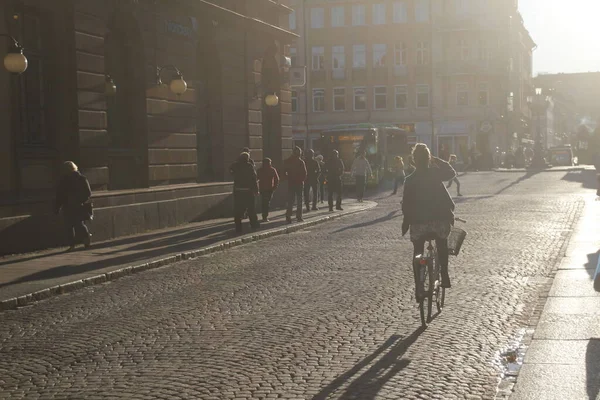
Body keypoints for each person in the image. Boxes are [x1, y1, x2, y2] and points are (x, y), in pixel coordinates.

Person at [402, 143, 457, 290]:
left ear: (414, 159)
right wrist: (436, 159)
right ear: (428, 158)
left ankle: (419, 285)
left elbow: (406, 203)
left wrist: (406, 221)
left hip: (418, 222)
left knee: (418, 251)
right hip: (438, 219)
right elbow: (451, 172)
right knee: (442, 243)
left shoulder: (410, 179)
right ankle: (444, 275)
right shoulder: (434, 173)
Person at [55, 161, 93, 251]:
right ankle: (81, 242)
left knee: (76, 224)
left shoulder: (80, 178)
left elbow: (87, 193)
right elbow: (60, 195)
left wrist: (78, 200)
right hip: (70, 205)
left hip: (76, 205)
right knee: (71, 225)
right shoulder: (65, 180)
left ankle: (83, 240)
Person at [230, 152, 259, 233]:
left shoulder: (235, 165)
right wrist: (256, 190)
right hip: (248, 191)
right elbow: (254, 179)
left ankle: (238, 228)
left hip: (238, 191)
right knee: (251, 209)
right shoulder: (249, 166)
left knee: (238, 210)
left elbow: (230, 170)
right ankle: (254, 225)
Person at [284, 146, 307, 223]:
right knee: (299, 201)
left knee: (291, 201)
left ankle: (288, 216)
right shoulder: (300, 162)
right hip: (299, 183)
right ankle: (299, 216)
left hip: (292, 183)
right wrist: (301, 180)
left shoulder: (288, 161)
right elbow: (304, 173)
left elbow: (283, 171)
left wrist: (287, 177)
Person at [257, 158, 280, 222]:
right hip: (268, 189)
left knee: (265, 202)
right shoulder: (271, 169)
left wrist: (274, 187)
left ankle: (264, 215)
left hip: (266, 189)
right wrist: (274, 187)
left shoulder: (261, 170)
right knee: (266, 202)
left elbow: (277, 179)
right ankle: (265, 216)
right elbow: (277, 179)